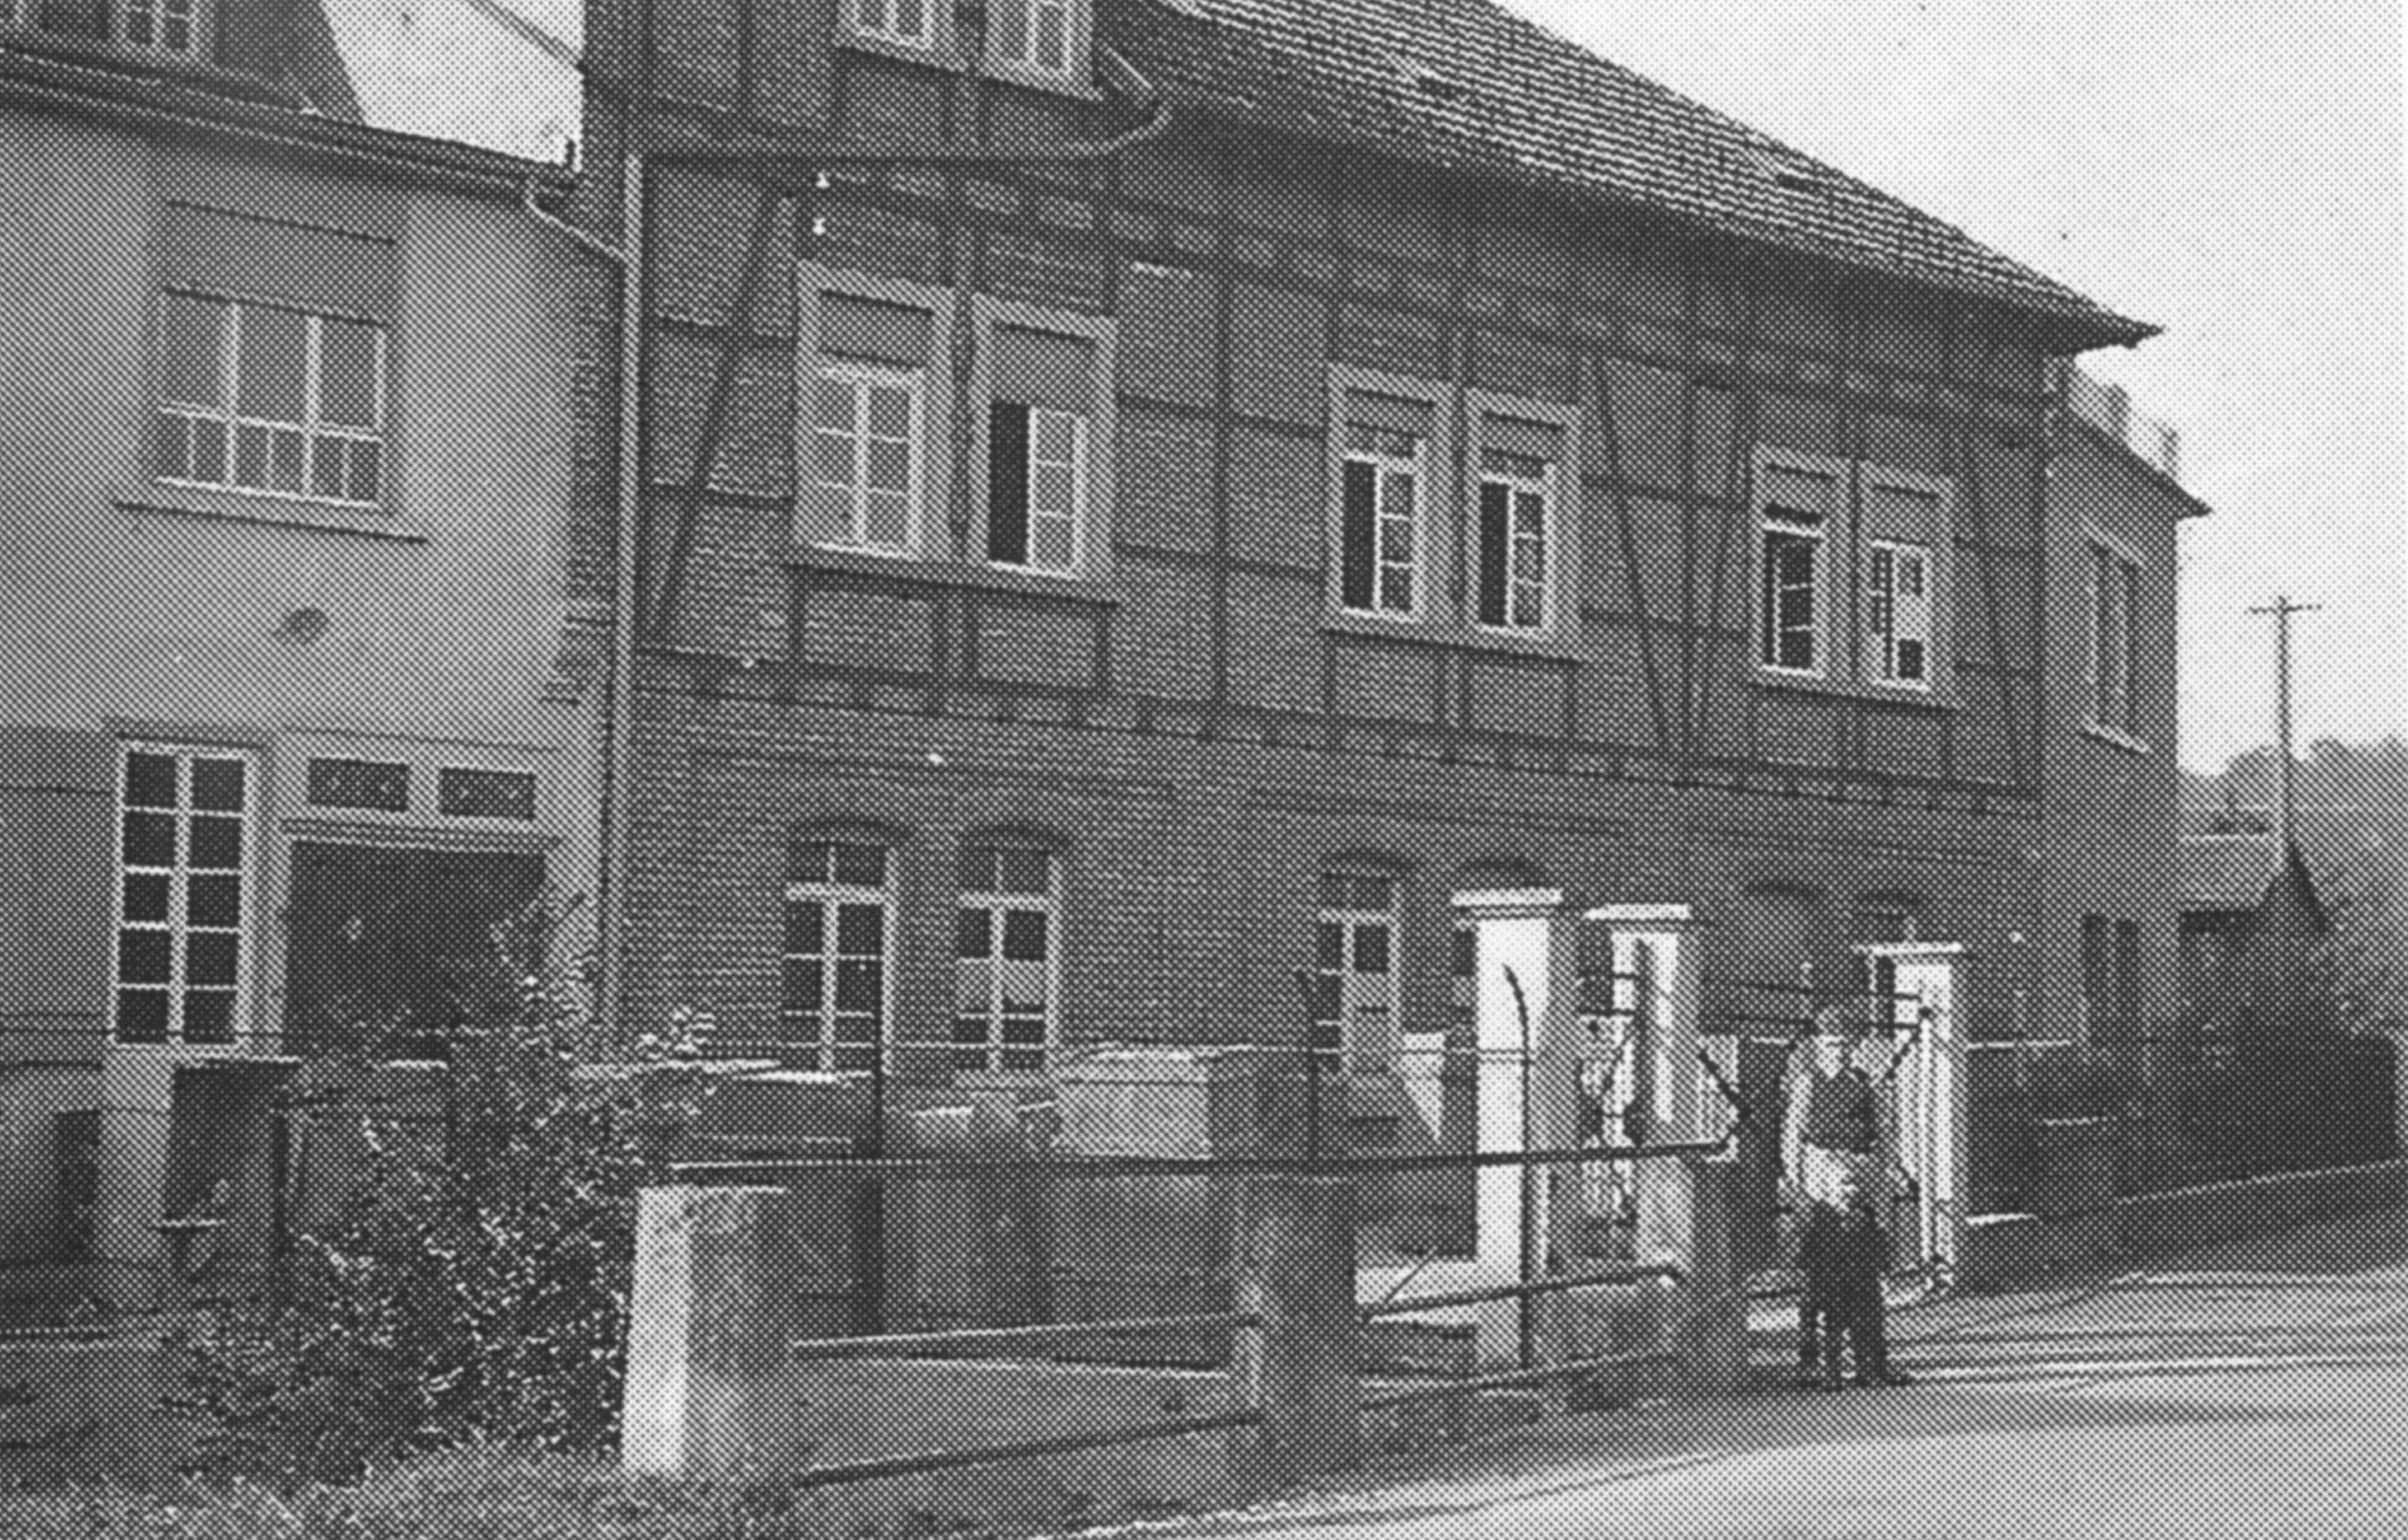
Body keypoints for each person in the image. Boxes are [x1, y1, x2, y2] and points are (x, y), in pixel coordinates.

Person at [1780, 1004, 1909, 1388]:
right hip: (1821, 1179)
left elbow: (1885, 1139)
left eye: (1843, 1043)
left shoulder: (1865, 1083)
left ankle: (1872, 1363)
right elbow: (1792, 1140)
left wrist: (1883, 1189)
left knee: (1864, 1277)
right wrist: (1800, 1190)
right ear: (1818, 1044)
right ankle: (1815, 1364)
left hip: (1861, 1175)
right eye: (1829, 1042)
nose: (1836, 1049)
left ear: (1852, 1044)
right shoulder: (1808, 1083)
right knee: (1820, 1279)